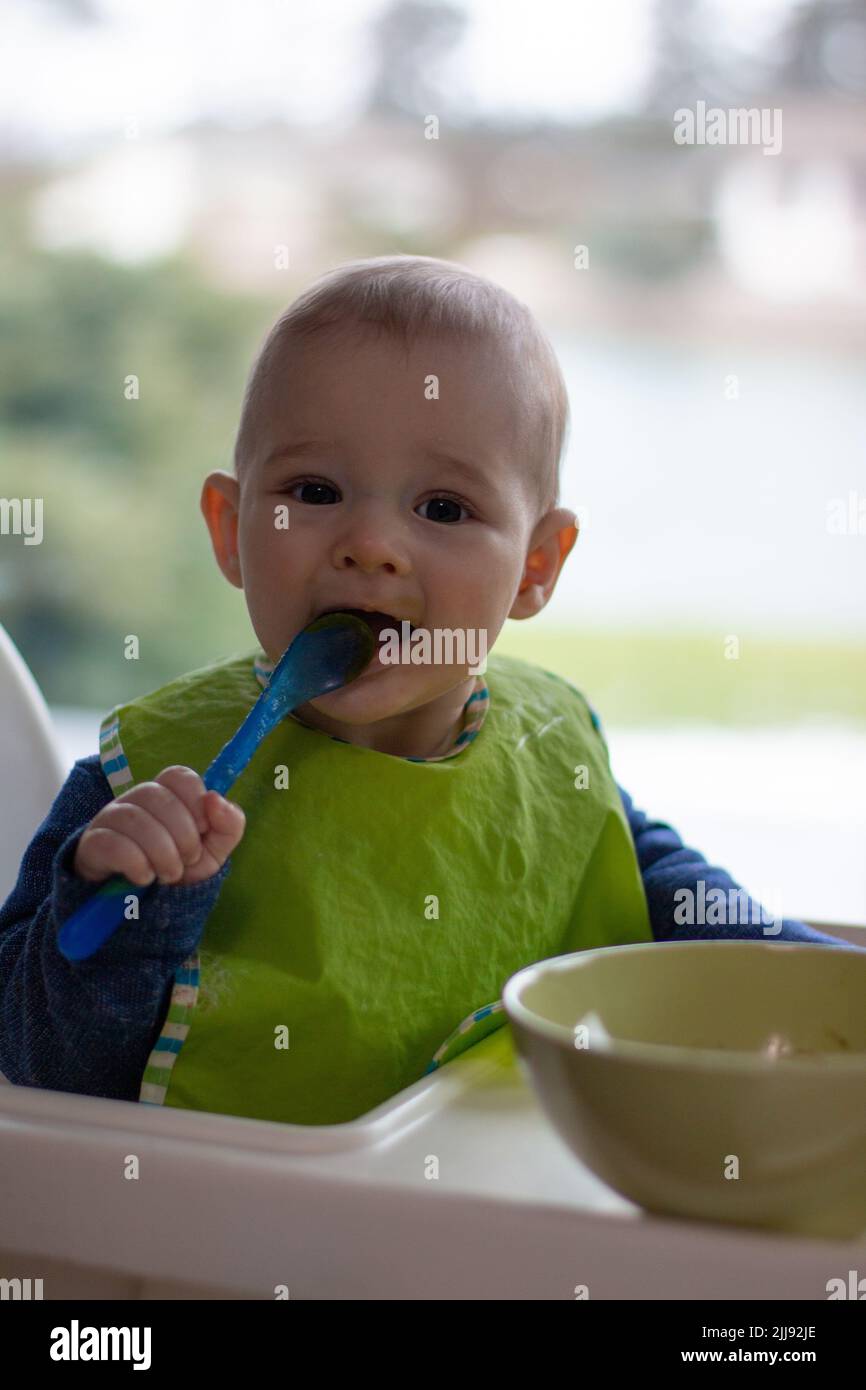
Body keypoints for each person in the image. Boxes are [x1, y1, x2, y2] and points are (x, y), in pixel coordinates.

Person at [0, 255, 857, 1125]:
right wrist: (134, 904)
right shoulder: (144, 783)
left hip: (498, 1223)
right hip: (230, 1242)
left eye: (443, 509)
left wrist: (828, 979)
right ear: (231, 529)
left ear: (535, 566)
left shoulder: (547, 750)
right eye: (315, 491)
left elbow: (679, 910)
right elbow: (40, 1071)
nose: (370, 543)